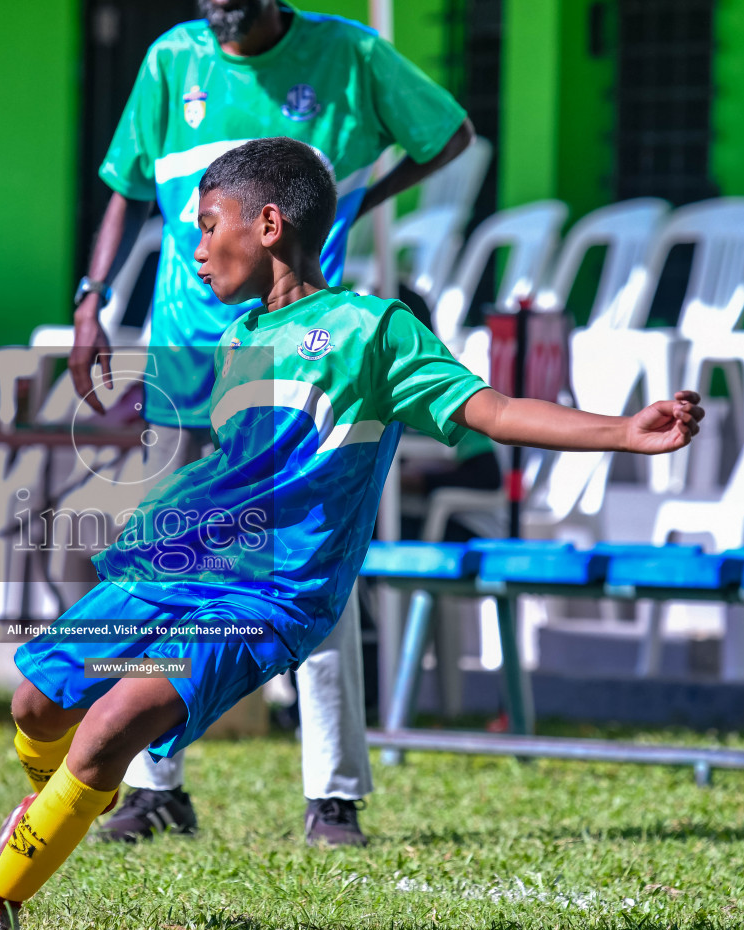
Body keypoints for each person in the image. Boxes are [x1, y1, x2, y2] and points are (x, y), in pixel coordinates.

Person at [0, 138, 704, 930]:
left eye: (208, 226)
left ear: (269, 224)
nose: (195, 248)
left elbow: (492, 410)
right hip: (180, 563)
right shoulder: (237, 337)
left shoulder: (373, 329)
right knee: (35, 701)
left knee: (108, 729)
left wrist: (624, 430)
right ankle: (47, 801)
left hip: (270, 594)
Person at [60, 0, 475, 848]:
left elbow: (449, 135)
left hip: (298, 359)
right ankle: (153, 785)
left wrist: (350, 199)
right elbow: (125, 189)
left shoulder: (352, 55)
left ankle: (332, 796)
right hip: (186, 355)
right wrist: (92, 299)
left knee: (302, 565)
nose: (219, 10)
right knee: (162, 564)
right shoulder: (173, 58)